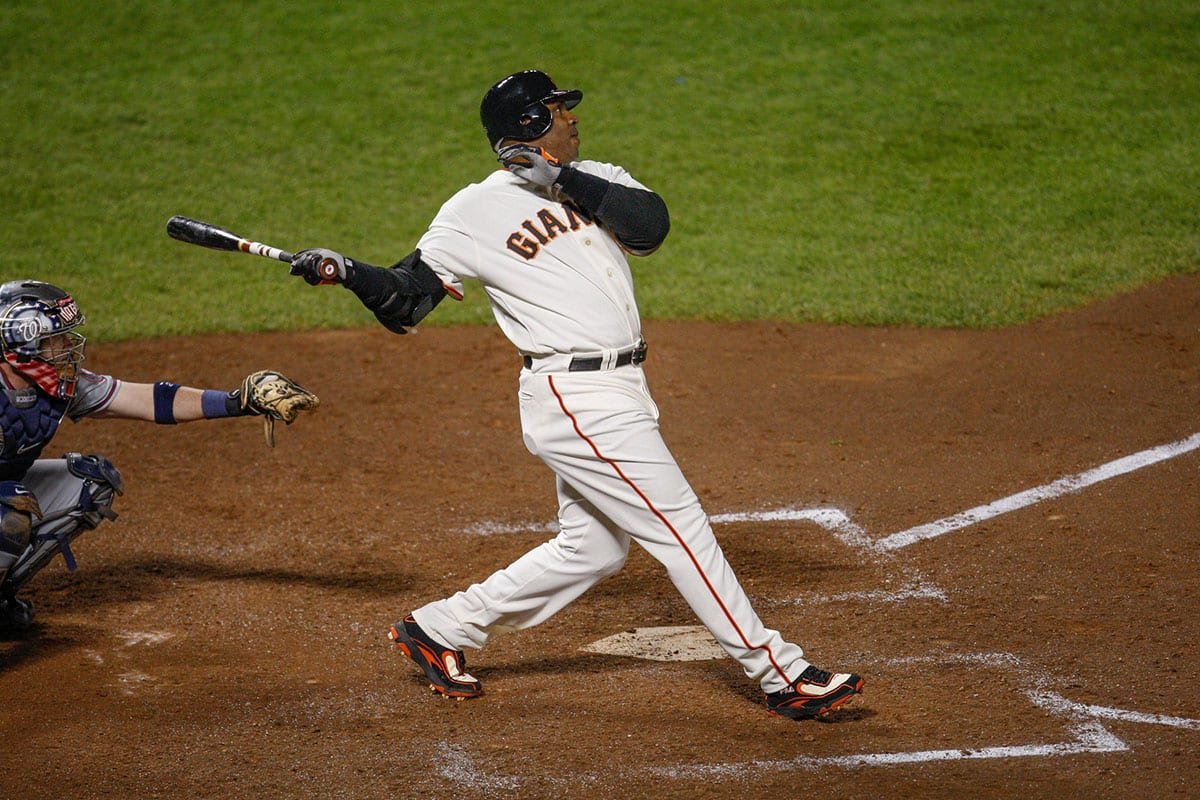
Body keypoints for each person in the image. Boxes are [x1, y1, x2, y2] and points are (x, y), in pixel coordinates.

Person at [286, 69, 864, 720]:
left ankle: (440, 629)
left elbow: (650, 226)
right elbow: (407, 302)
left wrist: (557, 176)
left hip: (623, 387)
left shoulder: (598, 177)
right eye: (559, 110)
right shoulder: (472, 212)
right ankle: (780, 674)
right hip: (575, 397)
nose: (573, 118)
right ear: (530, 124)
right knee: (681, 528)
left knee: (592, 547)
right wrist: (349, 274)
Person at [0, 279, 318, 631]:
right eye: (55, 339)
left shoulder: (59, 385)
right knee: (8, 512)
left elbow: (149, 400)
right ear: (23, 342)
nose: (67, 347)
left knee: (91, 485)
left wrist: (236, 402)